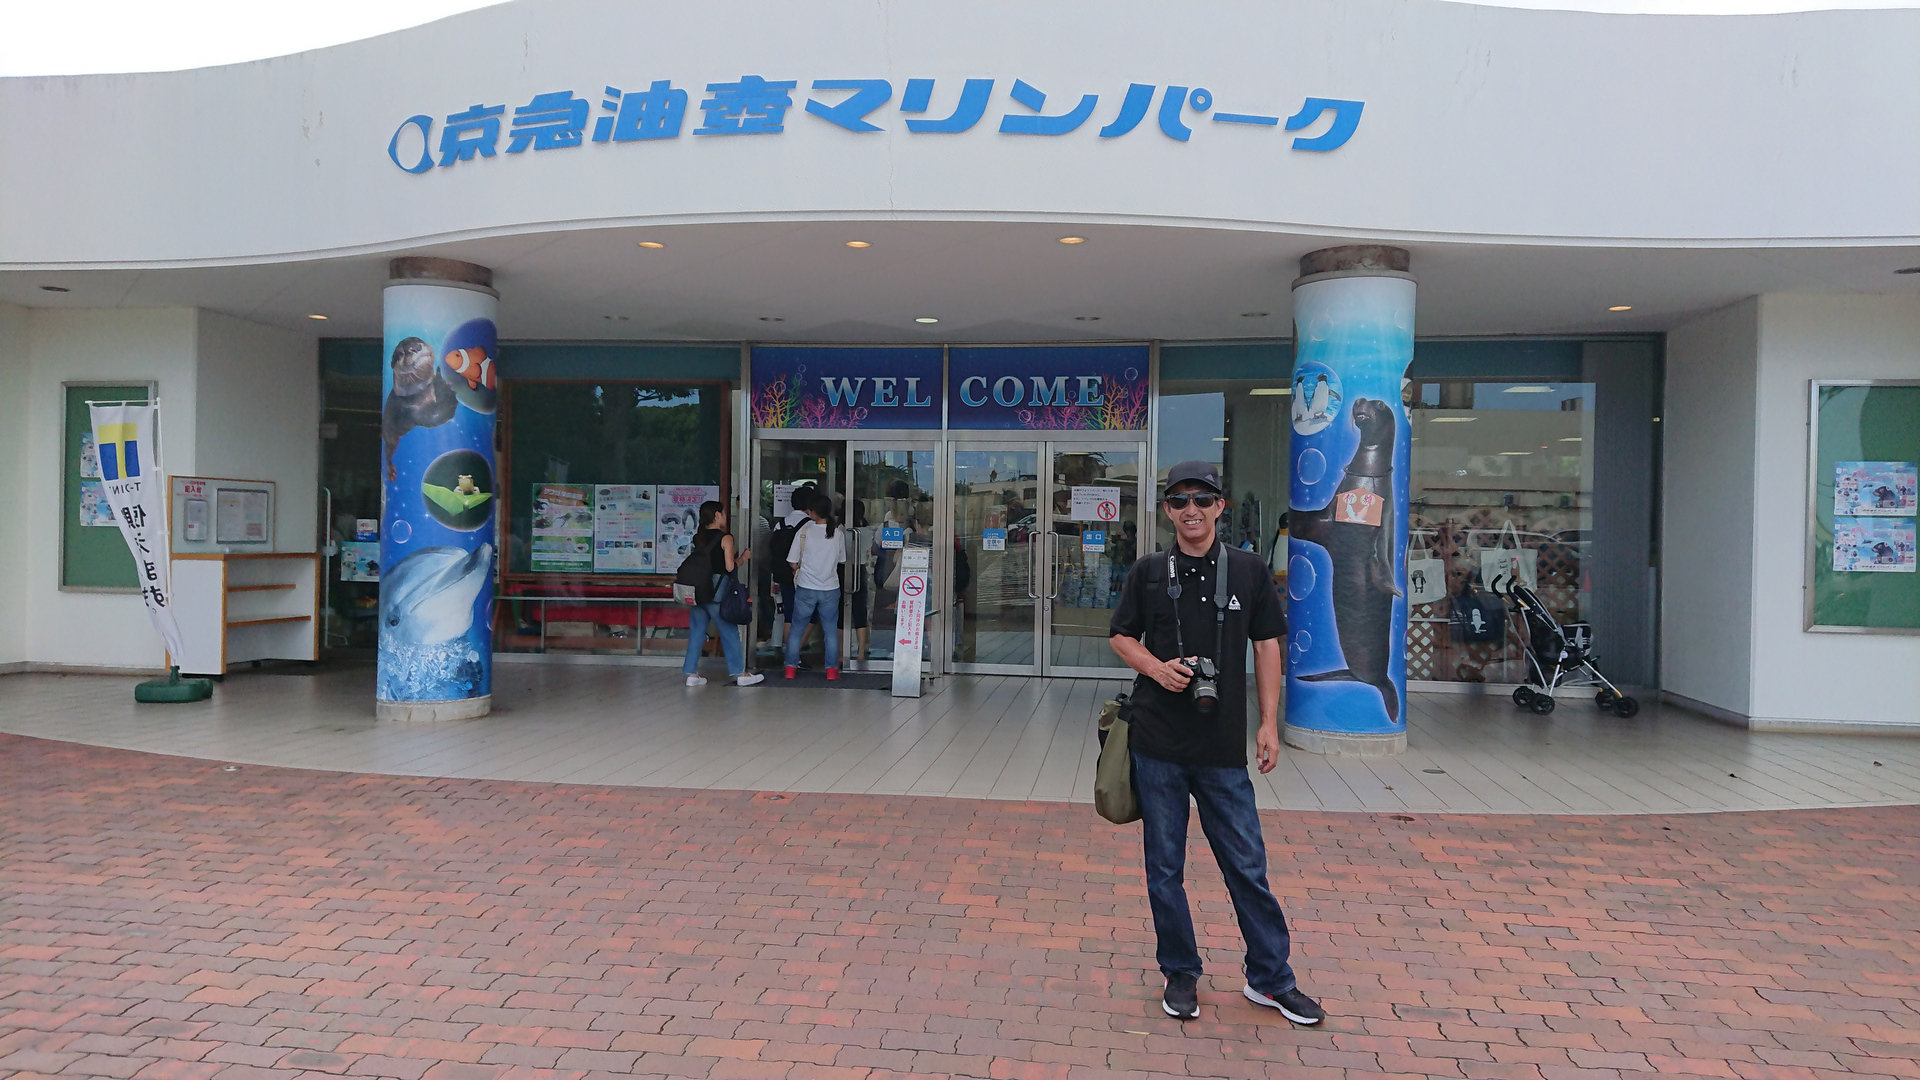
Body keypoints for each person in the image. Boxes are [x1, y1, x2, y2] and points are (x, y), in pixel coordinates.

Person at [1107, 460, 1323, 1027]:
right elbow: (1121, 635)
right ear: (1167, 511)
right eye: (1180, 501)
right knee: (1164, 867)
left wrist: (1269, 723)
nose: (1192, 510)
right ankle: (1180, 972)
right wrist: (1156, 668)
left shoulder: (1248, 570)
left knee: (1247, 866)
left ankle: (1271, 979)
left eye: (1202, 499)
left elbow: (1268, 645)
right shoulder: (1149, 572)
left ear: (1221, 507)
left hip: (1223, 748)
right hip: (1157, 744)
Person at [683, 501, 764, 688]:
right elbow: (729, 567)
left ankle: (691, 674)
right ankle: (741, 673)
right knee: (729, 632)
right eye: (724, 514)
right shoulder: (725, 538)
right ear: (717, 515)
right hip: (717, 589)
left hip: (698, 588)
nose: (726, 517)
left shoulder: (698, 537)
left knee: (696, 632)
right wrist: (743, 558)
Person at [784, 489, 847, 680]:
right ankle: (831, 670)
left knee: (797, 628)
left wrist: (799, 567)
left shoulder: (804, 531)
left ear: (813, 512)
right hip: (830, 588)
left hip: (806, 587)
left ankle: (790, 668)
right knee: (830, 630)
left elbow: (792, 561)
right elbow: (842, 560)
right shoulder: (837, 534)